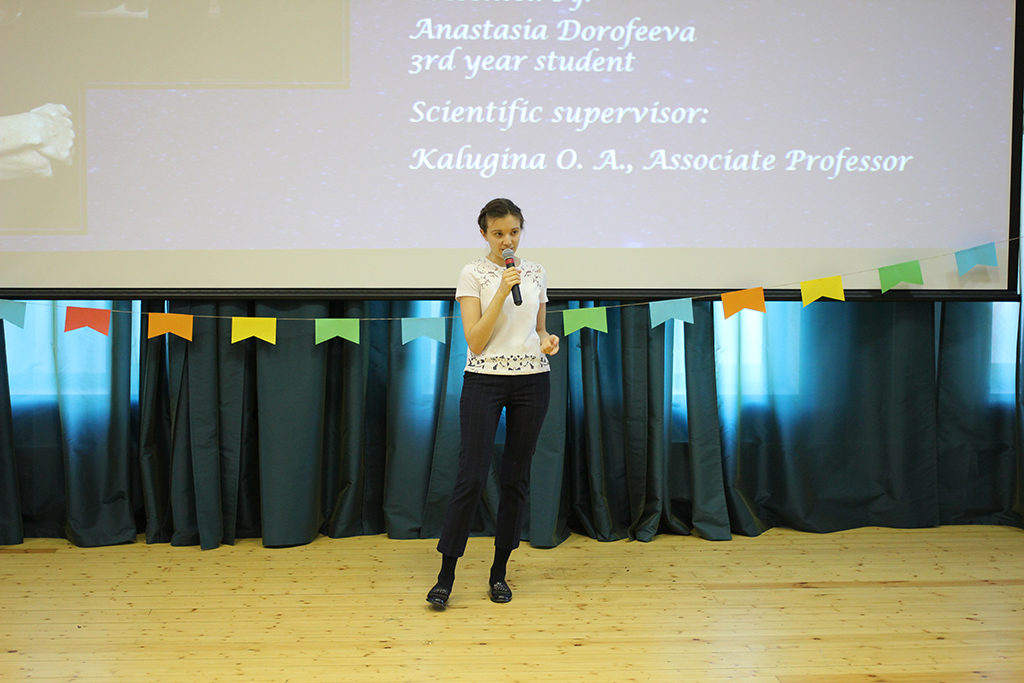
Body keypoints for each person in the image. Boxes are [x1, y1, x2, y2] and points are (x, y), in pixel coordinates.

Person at [427, 197, 560, 609]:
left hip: (532, 381)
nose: (508, 241)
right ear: (484, 233)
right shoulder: (473, 273)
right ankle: (445, 577)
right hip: (484, 380)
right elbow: (475, 340)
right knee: (470, 477)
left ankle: (499, 573)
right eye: (499, 233)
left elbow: (539, 328)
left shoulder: (536, 272)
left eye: (514, 232)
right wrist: (502, 290)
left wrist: (547, 340)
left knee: (516, 479)